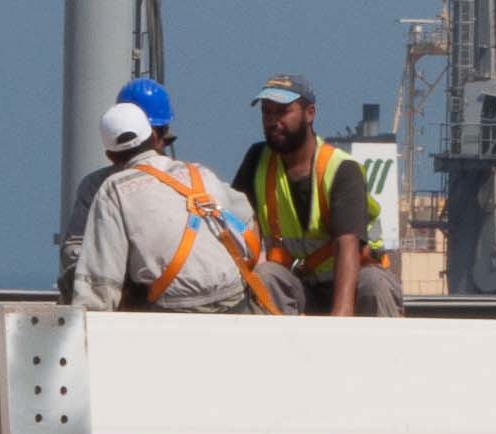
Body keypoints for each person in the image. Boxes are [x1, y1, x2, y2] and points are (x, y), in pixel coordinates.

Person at [72, 78, 270, 313]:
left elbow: (99, 284)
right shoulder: (200, 174)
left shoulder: (110, 189)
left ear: (110, 155)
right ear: (155, 137)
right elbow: (248, 224)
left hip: (170, 307)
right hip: (233, 300)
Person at [234, 72, 401, 316]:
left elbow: (347, 244)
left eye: (282, 112)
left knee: (374, 285)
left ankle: (381, 342)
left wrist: (339, 320)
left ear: (310, 113)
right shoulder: (258, 161)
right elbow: (237, 226)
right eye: (266, 113)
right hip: (299, 284)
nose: (272, 121)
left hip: (354, 280)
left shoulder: (341, 170)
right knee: (265, 277)